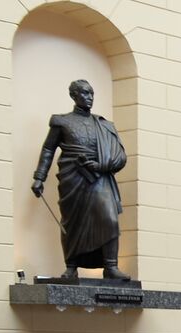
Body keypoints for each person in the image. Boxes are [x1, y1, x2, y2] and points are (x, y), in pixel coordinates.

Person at [31, 80, 130, 281]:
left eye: (92, 94)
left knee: (109, 218)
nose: (89, 98)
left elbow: (118, 153)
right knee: (71, 222)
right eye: (85, 94)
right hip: (72, 176)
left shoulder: (103, 125)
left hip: (99, 175)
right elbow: (49, 148)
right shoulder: (62, 121)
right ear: (74, 96)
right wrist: (39, 177)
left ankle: (111, 266)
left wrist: (102, 165)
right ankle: (71, 267)